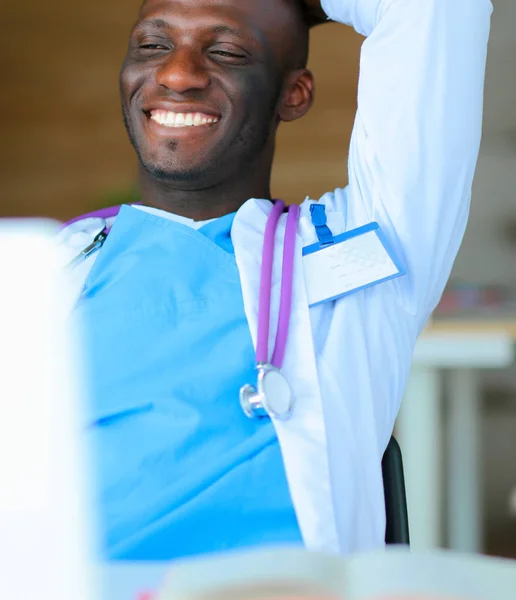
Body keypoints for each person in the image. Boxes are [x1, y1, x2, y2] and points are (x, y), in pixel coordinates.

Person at [58, 0, 492, 560]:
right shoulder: (47, 269)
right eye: (153, 46)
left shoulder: (362, 250)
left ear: (294, 94)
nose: (177, 73)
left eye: (227, 52)